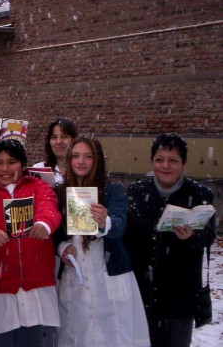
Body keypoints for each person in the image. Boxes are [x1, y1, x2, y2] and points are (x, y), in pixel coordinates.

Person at [54, 136, 149, 347]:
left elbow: (119, 224)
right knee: (77, 336)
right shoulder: (60, 192)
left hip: (108, 276)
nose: (81, 161)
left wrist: (104, 221)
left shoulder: (112, 190)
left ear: (97, 161)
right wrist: (62, 247)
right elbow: (55, 234)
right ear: (69, 159)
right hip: (75, 278)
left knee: (113, 336)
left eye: (88, 156)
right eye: (76, 156)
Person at [125, 133, 216, 347]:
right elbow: (128, 236)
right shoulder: (137, 192)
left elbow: (209, 235)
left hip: (180, 295)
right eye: (159, 159)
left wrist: (191, 237)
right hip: (142, 293)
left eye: (173, 160)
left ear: (183, 163)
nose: (165, 166)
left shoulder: (199, 194)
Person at [0, 139, 61, 347]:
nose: (5, 169)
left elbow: (50, 209)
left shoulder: (40, 188)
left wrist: (44, 224)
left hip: (36, 290)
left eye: (12, 162)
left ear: (23, 164)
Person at [31, 118, 78, 186]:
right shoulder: (39, 169)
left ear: (74, 140)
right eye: (54, 137)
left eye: (64, 136)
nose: (58, 142)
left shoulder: (81, 168)